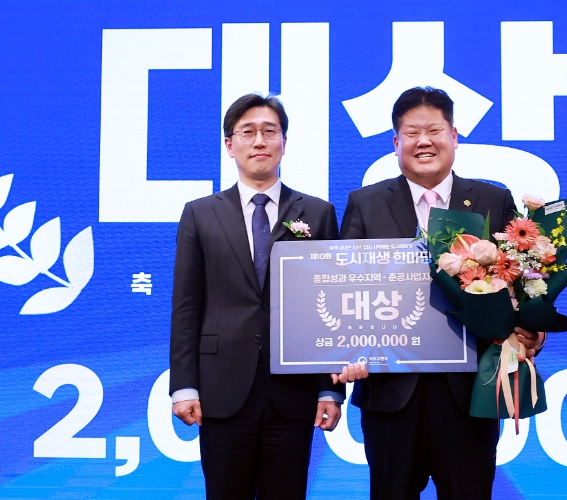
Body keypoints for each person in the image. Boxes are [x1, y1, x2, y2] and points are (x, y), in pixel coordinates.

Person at [340, 87, 546, 500]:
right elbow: (345, 287)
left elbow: (522, 276)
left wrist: (531, 330)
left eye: (434, 131)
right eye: (412, 133)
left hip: (470, 393)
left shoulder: (492, 200)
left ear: (454, 136)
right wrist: (345, 351)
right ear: (396, 142)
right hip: (390, 395)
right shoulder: (366, 203)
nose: (424, 141)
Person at [169, 93, 365, 499]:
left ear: (284, 142)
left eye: (269, 131)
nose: (259, 141)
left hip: (293, 391)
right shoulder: (200, 213)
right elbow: (187, 306)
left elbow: (330, 307)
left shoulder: (317, 213)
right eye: (248, 132)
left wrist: (329, 389)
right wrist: (184, 386)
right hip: (221, 387)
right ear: (229, 145)